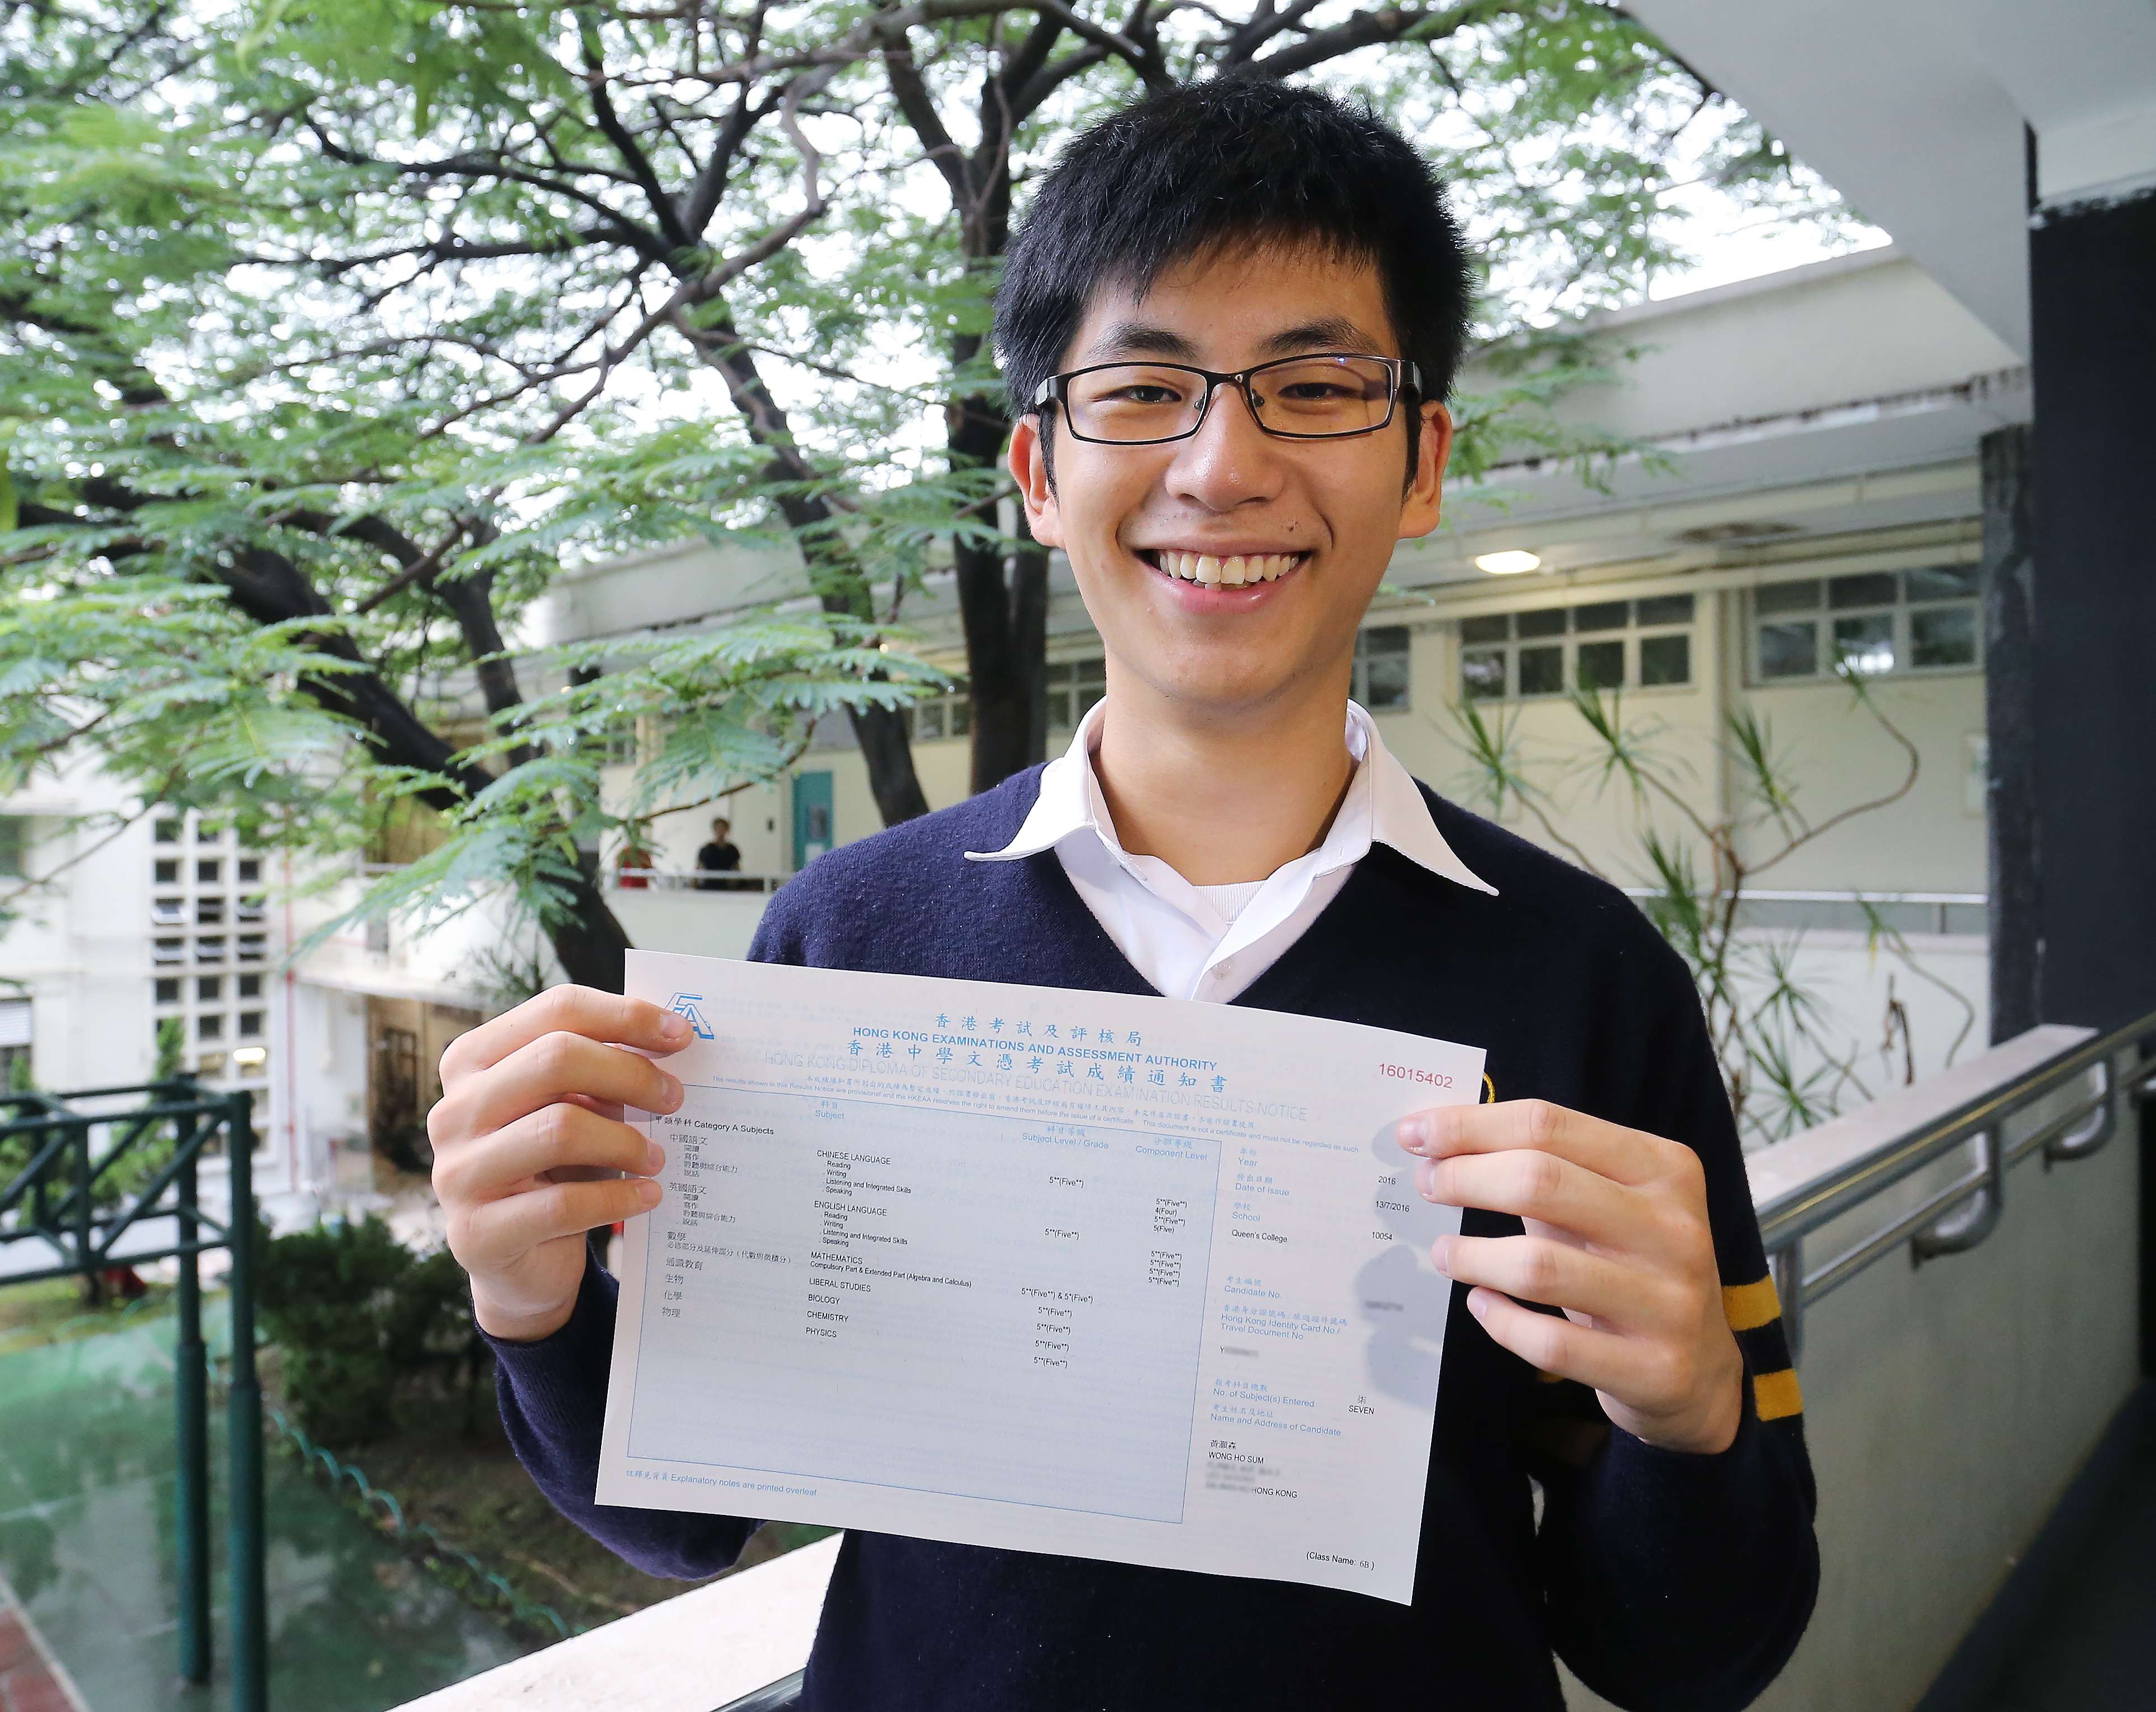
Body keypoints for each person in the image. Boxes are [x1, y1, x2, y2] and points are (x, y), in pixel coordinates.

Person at [426, 79, 1818, 1712]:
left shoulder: (1587, 975)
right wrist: (527, 1299)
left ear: (1423, 459)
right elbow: (675, 1515)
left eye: (1315, 384)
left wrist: (1695, 1411)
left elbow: (1691, 1650)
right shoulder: (852, 939)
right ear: (1036, 465)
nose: (1222, 465)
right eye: (1145, 386)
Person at [694, 816, 742, 891]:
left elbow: (737, 870)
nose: (720, 831)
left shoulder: (733, 850)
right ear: (714, 830)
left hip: (727, 889)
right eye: (718, 828)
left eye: (723, 828)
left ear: (727, 830)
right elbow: (698, 869)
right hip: (708, 888)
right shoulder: (706, 850)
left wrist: (734, 887)